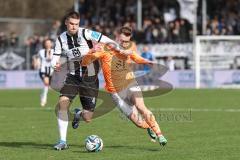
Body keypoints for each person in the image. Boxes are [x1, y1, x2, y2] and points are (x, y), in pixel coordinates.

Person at [51, 11, 127, 150]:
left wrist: (120, 49)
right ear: (66, 23)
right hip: (73, 76)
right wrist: (54, 64)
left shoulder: (85, 33)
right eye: (71, 24)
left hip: (90, 79)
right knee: (62, 104)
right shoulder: (60, 39)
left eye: (76, 24)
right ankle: (62, 141)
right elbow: (55, 57)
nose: (74, 27)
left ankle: (78, 114)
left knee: (88, 118)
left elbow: (105, 39)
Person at [80, 26, 167, 146]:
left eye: (127, 41)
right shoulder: (103, 48)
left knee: (141, 106)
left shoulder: (128, 48)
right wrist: (92, 52)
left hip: (130, 84)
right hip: (115, 92)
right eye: (121, 41)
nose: (124, 44)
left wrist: (147, 62)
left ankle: (160, 134)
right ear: (116, 37)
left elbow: (135, 57)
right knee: (139, 123)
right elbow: (84, 62)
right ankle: (148, 127)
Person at [38, 39, 54, 106]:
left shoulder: (54, 51)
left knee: (48, 87)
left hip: (51, 71)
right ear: (44, 44)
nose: (48, 44)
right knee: (46, 84)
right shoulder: (41, 51)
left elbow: (57, 59)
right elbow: (47, 58)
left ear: (51, 44)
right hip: (43, 71)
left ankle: (42, 95)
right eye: (46, 43)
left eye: (49, 43)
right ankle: (43, 100)